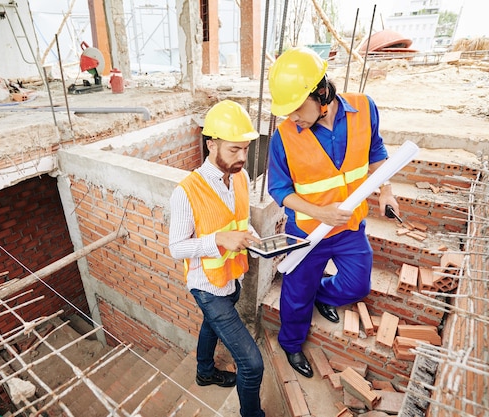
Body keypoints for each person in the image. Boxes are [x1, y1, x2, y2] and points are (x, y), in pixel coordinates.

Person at [266, 47, 399, 378]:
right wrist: (318, 212)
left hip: (349, 226)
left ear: (321, 92)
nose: (292, 117)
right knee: (296, 296)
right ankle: (291, 344)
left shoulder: (364, 108)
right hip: (307, 233)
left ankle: (322, 294)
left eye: (297, 108)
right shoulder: (283, 136)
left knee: (357, 285)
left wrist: (386, 191)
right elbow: (279, 191)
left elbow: (376, 152)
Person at [169, 100, 266, 417]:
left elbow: (239, 219)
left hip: (232, 278)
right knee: (251, 364)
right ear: (212, 144)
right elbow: (176, 248)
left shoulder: (240, 177)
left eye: (246, 150)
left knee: (210, 327)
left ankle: (204, 371)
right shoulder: (186, 191)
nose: (242, 158)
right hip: (207, 288)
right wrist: (217, 241)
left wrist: (252, 236)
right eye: (234, 150)